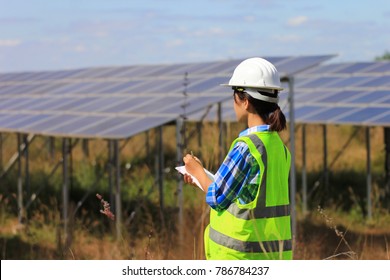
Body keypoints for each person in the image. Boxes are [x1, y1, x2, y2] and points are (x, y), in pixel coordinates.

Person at [182, 57, 292, 260]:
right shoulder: (279, 147)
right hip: (274, 255)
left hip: (240, 256)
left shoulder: (246, 147)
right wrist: (202, 179)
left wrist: (196, 170)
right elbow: (247, 197)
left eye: (235, 95)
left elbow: (217, 197)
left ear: (246, 101)